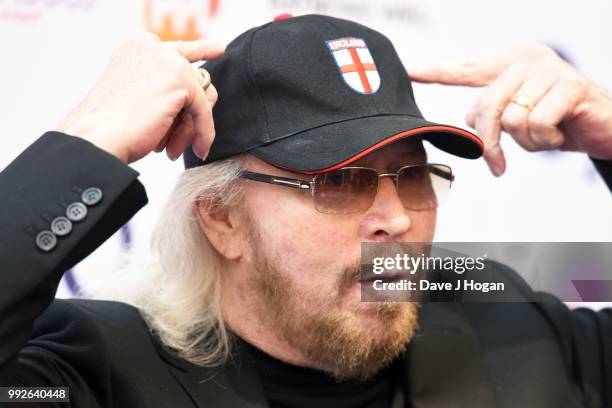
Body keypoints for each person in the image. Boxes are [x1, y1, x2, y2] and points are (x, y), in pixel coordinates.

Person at [0, 13, 610, 408]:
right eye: (340, 182)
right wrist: (89, 140)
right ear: (222, 217)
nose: (396, 221)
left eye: (414, 175)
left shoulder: (514, 331)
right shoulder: (100, 372)